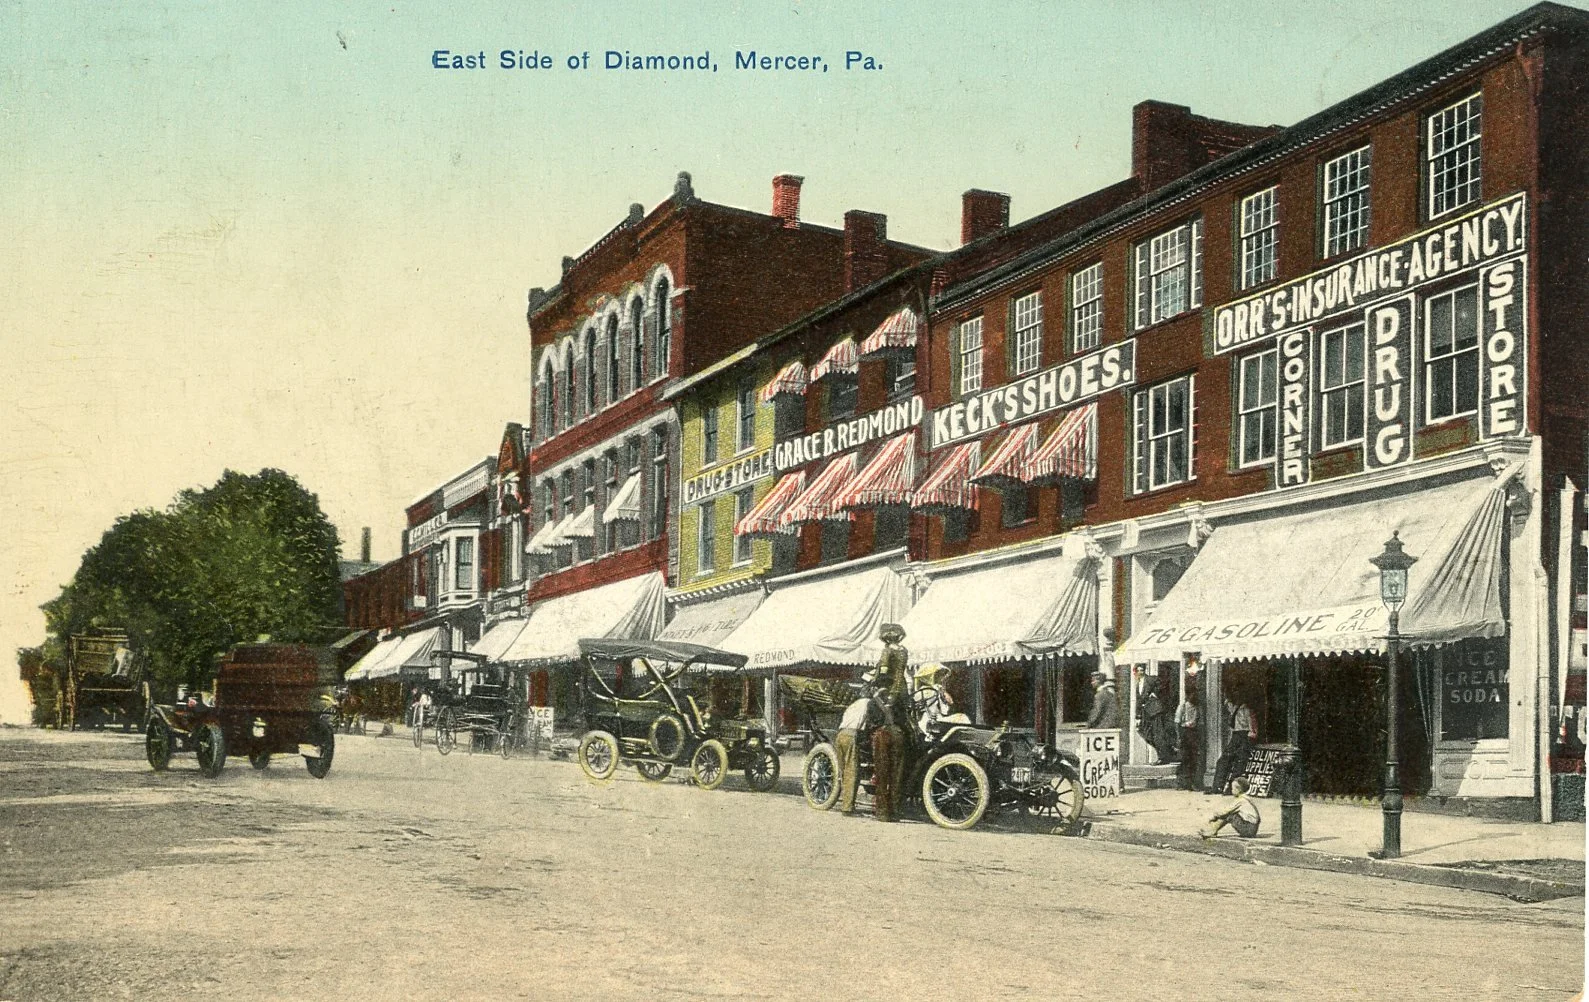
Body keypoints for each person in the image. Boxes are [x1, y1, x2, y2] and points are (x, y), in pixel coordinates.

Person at [870, 623, 910, 822]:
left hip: (886, 710)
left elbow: (883, 674)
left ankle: (882, 812)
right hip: (901, 701)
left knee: (882, 771)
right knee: (897, 771)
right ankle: (895, 809)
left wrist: (874, 682)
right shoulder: (904, 651)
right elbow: (898, 675)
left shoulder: (887, 652)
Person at [834, 693, 877, 814]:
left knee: (843, 771)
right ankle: (847, 808)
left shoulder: (853, 705)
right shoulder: (870, 703)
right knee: (852, 772)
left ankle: (844, 802)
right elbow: (871, 722)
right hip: (852, 735)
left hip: (841, 734)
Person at [1210, 695, 1257, 795]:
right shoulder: (1235, 709)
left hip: (1244, 735)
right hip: (1236, 735)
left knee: (1239, 762)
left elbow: (1252, 729)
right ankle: (1217, 786)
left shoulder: (1247, 710)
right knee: (1223, 760)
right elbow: (1231, 721)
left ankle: (1232, 788)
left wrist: (1248, 738)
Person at [1174, 690, 1202, 791]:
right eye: (1191, 694)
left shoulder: (1197, 708)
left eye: (1195, 694)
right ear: (1187, 695)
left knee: (1194, 759)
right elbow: (1177, 722)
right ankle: (1181, 783)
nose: (1193, 696)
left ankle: (1192, 783)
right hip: (1185, 732)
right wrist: (1179, 737)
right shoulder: (1183, 707)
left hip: (1193, 733)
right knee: (1185, 758)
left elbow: (1198, 721)